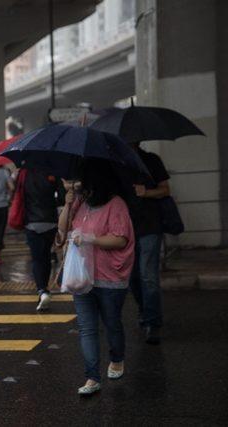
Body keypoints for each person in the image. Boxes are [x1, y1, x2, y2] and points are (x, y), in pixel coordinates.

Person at [58, 160, 135, 396]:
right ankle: (92, 377)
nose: (78, 185)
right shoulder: (79, 203)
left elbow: (121, 239)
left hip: (110, 277)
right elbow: (62, 230)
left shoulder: (116, 204)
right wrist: (67, 205)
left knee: (112, 323)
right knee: (86, 328)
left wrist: (91, 239)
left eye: (82, 181)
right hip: (82, 277)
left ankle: (117, 358)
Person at [128, 142, 170, 345]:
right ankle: (144, 310)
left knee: (148, 276)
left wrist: (146, 192)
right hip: (125, 228)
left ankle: (153, 323)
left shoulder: (152, 160)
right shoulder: (117, 163)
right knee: (132, 277)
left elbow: (164, 189)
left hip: (150, 226)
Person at [23, 169, 63, 311]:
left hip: (32, 222)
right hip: (50, 221)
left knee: (37, 259)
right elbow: (62, 197)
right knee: (46, 256)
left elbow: (18, 197)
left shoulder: (25, 174)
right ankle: (45, 288)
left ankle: (42, 290)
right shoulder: (52, 173)